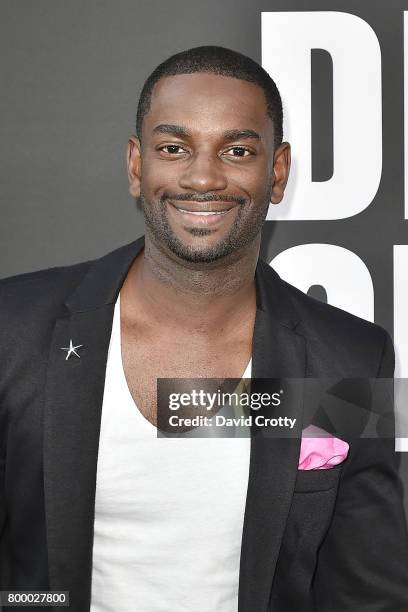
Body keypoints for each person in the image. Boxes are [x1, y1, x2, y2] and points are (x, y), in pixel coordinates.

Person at [0, 45, 408, 612]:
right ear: (137, 166)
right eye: (174, 148)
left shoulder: (347, 359)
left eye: (237, 150)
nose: (203, 177)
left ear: (278, 171)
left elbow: (366, 594)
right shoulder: (13, 329)